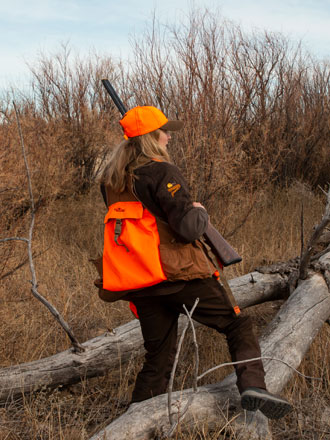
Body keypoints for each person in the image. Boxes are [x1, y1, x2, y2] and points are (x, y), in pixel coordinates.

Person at [97, 105, 292, 419]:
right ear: (151, 137)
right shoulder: (162, 171)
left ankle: (134, 421)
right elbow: (187, 228)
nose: (169, 137)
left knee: (157, 356)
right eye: (164, 131)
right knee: (237, 324)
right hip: (179, 276)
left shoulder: (111, 181)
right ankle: (254, 386)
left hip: (140, 281)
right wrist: (199, 211)